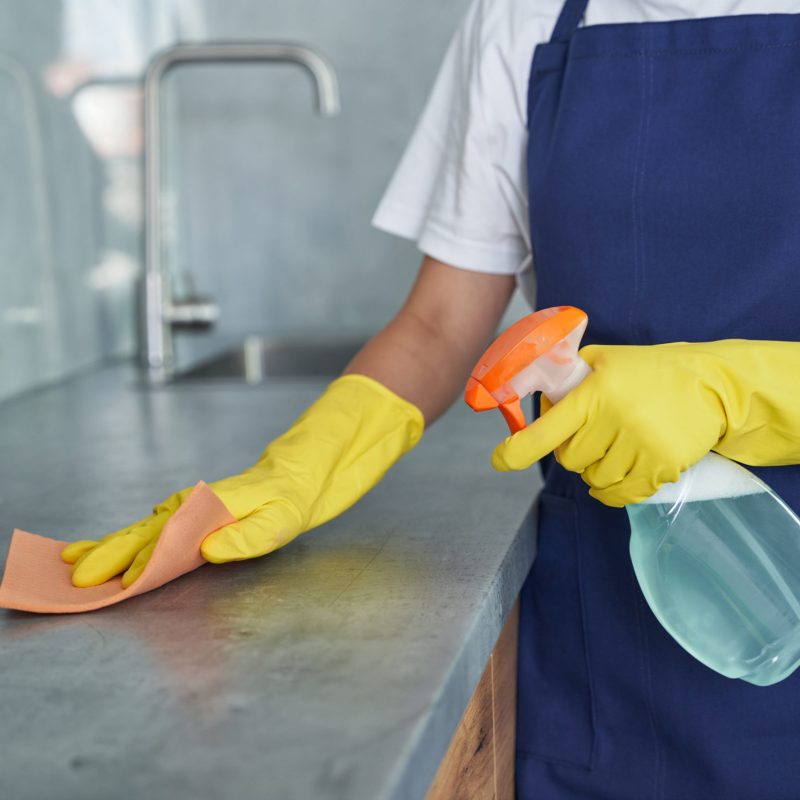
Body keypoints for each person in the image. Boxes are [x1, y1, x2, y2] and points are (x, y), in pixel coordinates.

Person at [62, 0, 800, 796]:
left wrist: (733, 392)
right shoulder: (529, 17)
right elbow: (440, 325)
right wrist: (300, 469)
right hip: (610, 640)